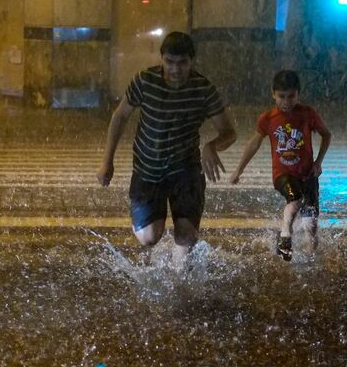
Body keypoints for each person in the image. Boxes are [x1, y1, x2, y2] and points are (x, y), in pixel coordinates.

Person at [98, 31, 236, 264]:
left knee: (186, 236)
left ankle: (179, 282)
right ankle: (156, 230)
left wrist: (212, 146)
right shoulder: (145, 81)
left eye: (182, 63)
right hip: (148, 170)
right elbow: (120, 117)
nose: (175, 69)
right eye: (170, 62)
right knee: (149, 238)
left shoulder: (203, 89)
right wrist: (107, 160)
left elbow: (229, 132)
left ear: (192, 61)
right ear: (161, 59)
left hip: (186, 169)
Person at [230, 69, 331, 261]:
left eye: (291, 96)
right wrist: (238, 170)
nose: (286, 102)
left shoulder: (308, 114)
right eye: (281, 97)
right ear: (273, 94)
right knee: (295, 199)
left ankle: (310, 261)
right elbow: (254, 143)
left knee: (311, 228)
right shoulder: (268, 119)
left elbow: (326, 134)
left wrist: (318, 162)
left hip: (308, 174)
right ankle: (286, 234)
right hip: (282, 174)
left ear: (298, 93)